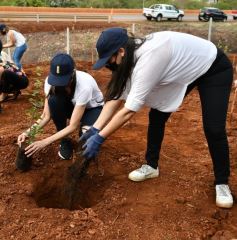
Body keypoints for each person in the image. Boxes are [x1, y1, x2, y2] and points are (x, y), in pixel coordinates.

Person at [80, 27, 234, 209]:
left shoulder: (149, 58)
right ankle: (151, 166)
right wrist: (95, 128)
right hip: (183, 69)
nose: (108, 65)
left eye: (109, 60)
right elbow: (116, 97)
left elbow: (129, 109)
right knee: (157, 115)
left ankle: (222, 183)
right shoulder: (130, 56)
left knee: (213, 128)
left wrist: (100, 138)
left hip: (212, 67)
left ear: (121, 51)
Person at [17, 53, 104, 162]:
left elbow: (73, 125)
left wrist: (45, 142)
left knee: (86, 136)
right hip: (73, 107)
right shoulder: (49, 83)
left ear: (72, 73)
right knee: (53, 101)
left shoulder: (84, 86)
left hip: (91, 109)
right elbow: (45, 116)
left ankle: (83, 150)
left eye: (63, 80)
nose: (60, 84)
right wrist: (28, 132)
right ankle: (64, 140)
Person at [0, 39, 29, 103]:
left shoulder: (3, 54)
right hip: (15, 79)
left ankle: (4, 94)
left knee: (4, 71)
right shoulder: (2, 54)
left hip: (22, 80)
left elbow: (11, 66)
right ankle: (14, 90)